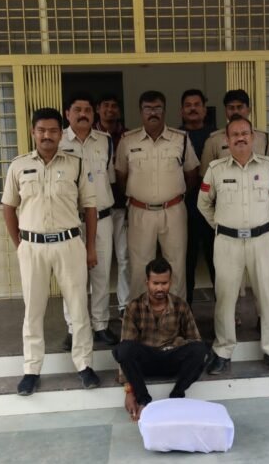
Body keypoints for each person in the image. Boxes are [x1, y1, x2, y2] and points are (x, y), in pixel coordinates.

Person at [2, 107, 101, 395]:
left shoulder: (76, 164)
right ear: (33, 132)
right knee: (33, 310)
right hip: (32, 247)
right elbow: (8, 207)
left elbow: (90, 208)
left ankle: (84, 365)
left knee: (78, 307)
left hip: (69, 244)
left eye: (53, 130)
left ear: (61, 133)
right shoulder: (18, 166)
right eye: (42, 130)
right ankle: (31, 369)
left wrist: (90, 248)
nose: (47, 135)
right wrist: (20, 245)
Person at [198, 115, 269, 374]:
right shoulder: (216, 169)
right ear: (227, 139)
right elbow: (203, 203)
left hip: (261, 241)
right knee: (225, 298)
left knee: (267, 296)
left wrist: (264, 223)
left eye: (245, 133)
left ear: (253, 137)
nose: (240, 138)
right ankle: (223, 350)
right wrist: (221, 225)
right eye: (235, 134)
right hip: (227, 242)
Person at [114, 90, 200, 303]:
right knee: (139, 267)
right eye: (148, 108)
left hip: (174, 211)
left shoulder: (180, 139)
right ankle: (140, 314)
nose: (153, 113)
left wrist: (174, 195)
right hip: (140, 212)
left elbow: (192, 174)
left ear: (164, 110)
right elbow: (121, 176)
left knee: (176, 264)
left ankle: (176, 314)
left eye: (157, 108)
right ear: (141, 112)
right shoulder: (128, 140)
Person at [114, 257, 207, 421]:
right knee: (123, 349)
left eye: (164, 283)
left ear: (170, 282)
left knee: (200, 349)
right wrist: (129, 390)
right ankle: (144, 400)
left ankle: (177, 396)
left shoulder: (180, 305)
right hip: (146, 362)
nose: (160, 288)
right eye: (155, 283)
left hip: (172, 359)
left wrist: (180, 344)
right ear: (147, 282)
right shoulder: (134, 307)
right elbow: (127, 346)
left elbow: (194, 339)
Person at [60, 92, 119, 350]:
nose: (83, 114)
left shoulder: (105, 141)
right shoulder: (58, 141)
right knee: (72, 278)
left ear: (93, 114)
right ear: (67, 114)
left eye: (87, 110)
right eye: (77, 109)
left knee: (101, 274)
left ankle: (101, 325)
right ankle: (74, 328)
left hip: (103, 218)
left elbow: (109, 178)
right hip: (71, 220)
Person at [178, 89, 217, 306]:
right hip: (184, 210)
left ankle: (224, 312)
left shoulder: (217, 137)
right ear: (181, 110)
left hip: (214, 211)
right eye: (188, 105)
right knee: (186, 262)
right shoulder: (175, 138)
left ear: (204, 109)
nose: (192, 108)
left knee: (217, 262)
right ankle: (186, 310)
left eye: (197, 104)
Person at [95, 93, 130, 316]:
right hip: (98, 210)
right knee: (100, 262)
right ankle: (99, 312)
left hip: (123, 206)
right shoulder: (91, 137)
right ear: (98, 109)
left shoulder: (128, 137)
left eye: (114, 106)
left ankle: (125, 305)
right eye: (105, 105)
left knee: (125, 257)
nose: (110, 109)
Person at [199, 89, 269, 178]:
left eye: (240, 107)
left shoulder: (263, 139)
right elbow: (206, 175)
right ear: (225, 111)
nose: (235, 111)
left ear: (248, 110)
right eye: (231, 108)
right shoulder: (214, 140)